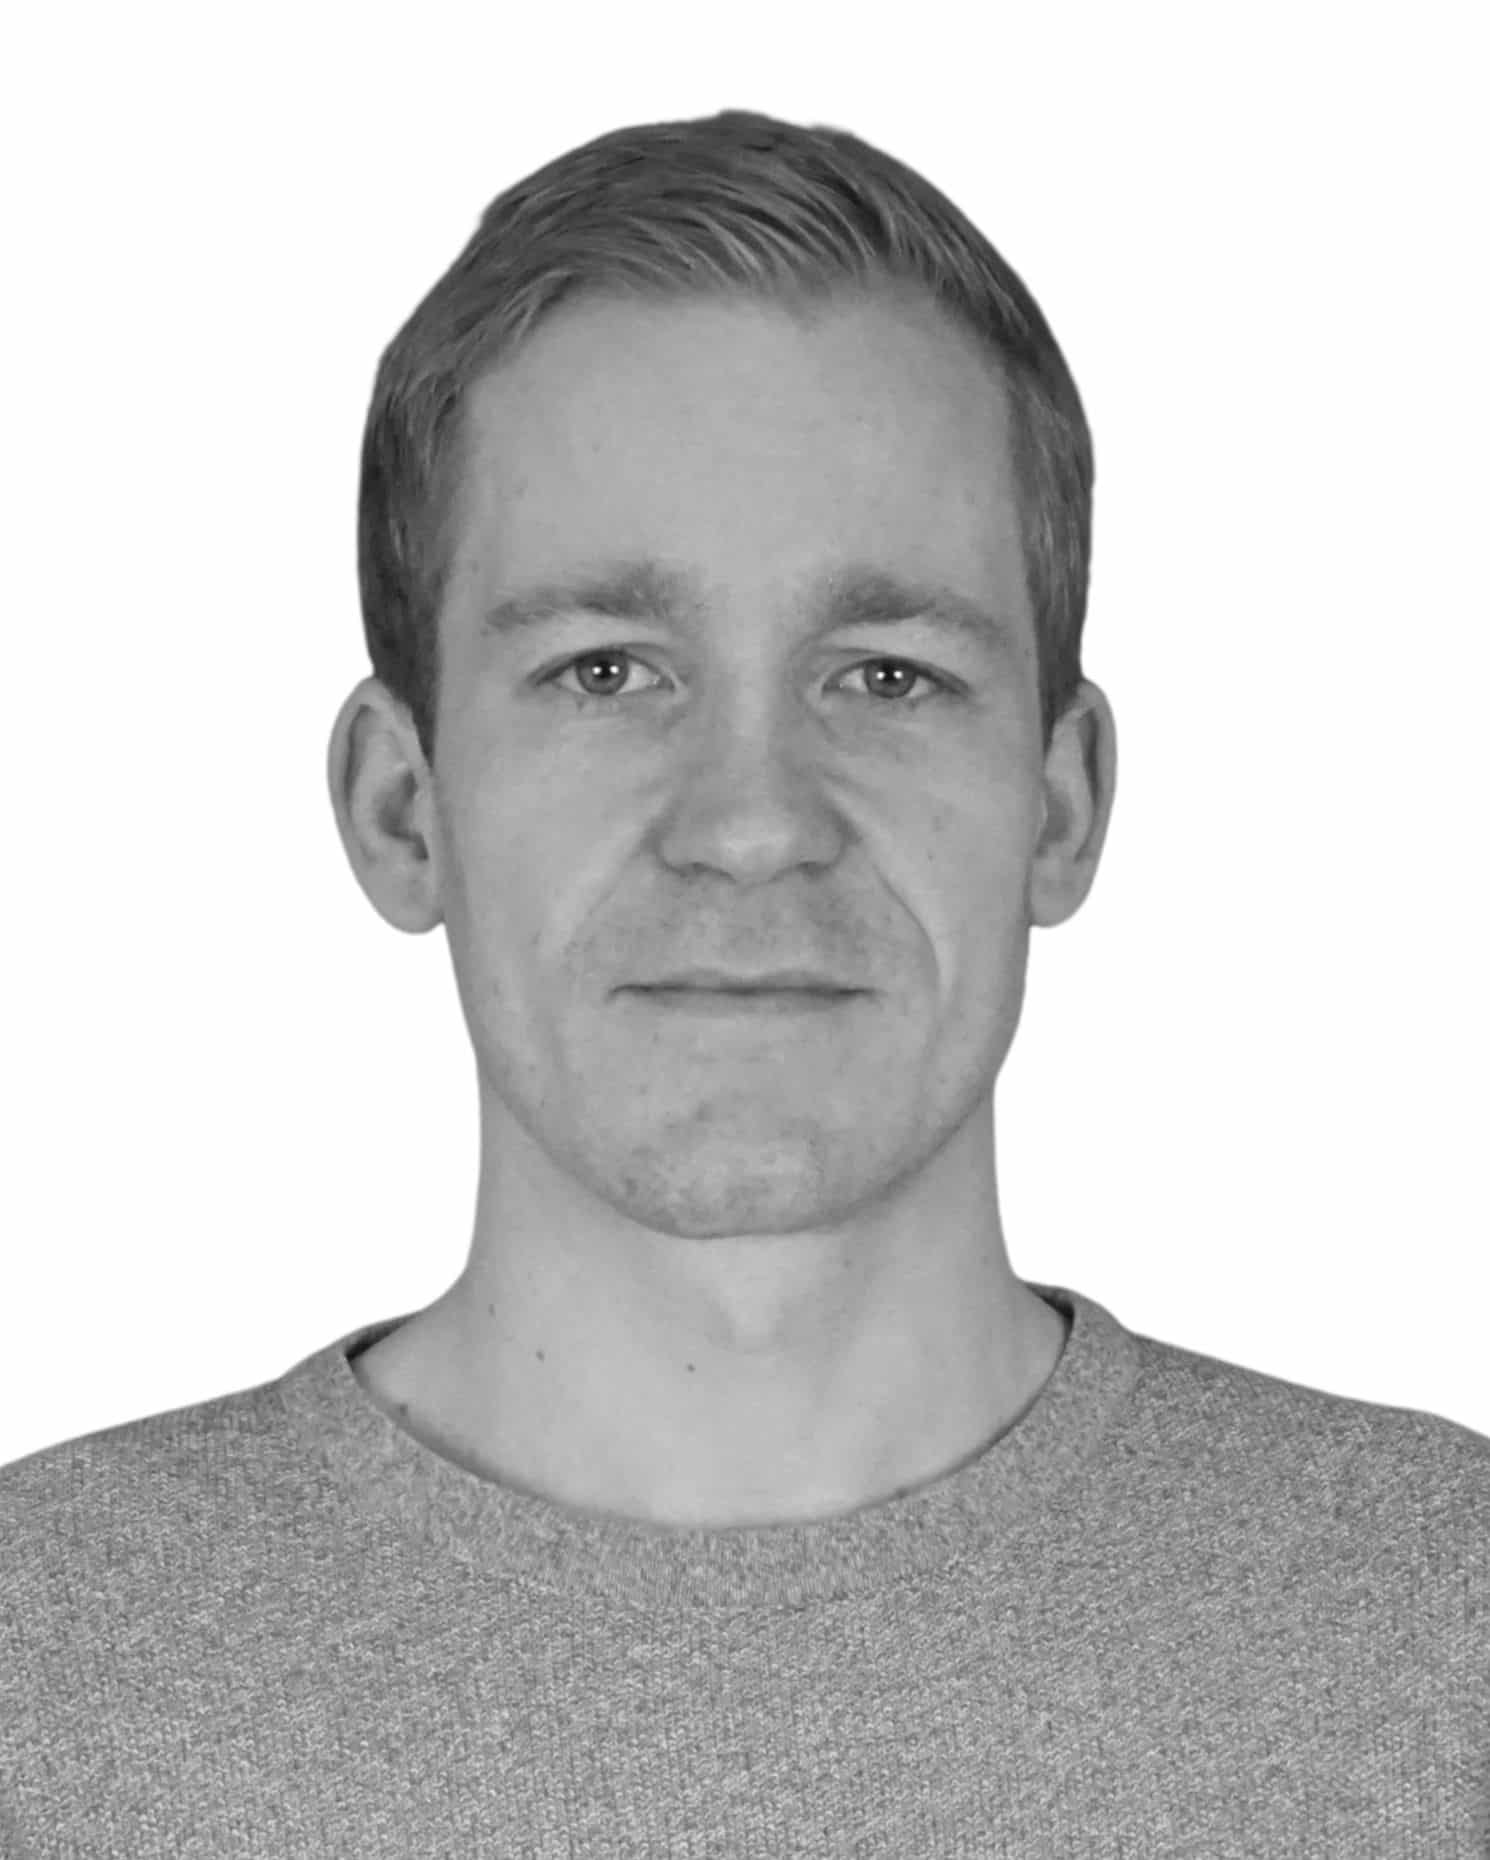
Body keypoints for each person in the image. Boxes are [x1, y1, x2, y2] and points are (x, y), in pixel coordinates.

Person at [1, 108, 1484, 1858]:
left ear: (1061, 806)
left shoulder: (1440, 1633)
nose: (754, 823)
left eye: (886, 675)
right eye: (605, 669)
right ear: (402, 808)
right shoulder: (42, 1675)